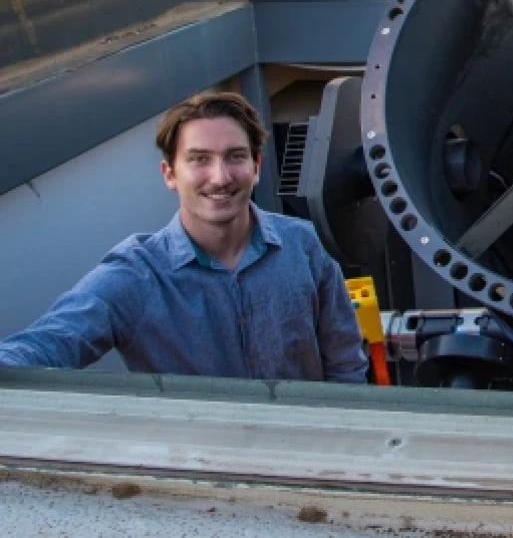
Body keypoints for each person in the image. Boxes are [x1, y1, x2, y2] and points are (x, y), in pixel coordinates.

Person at [0, 92, 368, 383]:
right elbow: (52, 341)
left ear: (256, 167)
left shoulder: (300, 244)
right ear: (169, 174)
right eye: (199, 159)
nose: (221, 177)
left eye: (235, 156)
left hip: (306, 455)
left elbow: (344, 359)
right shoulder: (137, 275)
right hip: (197, 468)